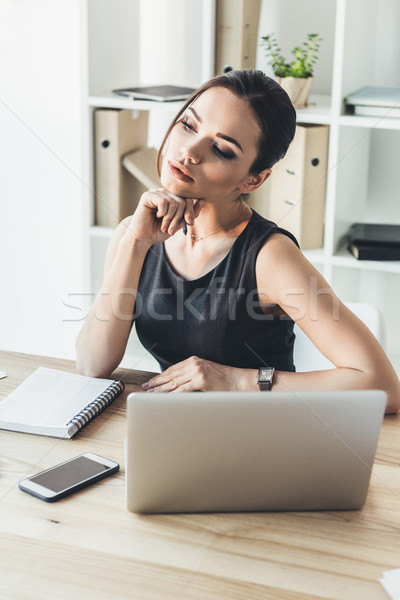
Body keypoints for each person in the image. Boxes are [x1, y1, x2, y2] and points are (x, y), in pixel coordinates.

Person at [76, 69, 400, 414]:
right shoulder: (135, 233)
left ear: (253, 179)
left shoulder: (269, 256)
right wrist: (135, 243)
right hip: (171, 428)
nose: (189, 151)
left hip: (258, 437)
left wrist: (234, 381)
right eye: (188, 124)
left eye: (222, 149)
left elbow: (381, 385)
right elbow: (92, 365)